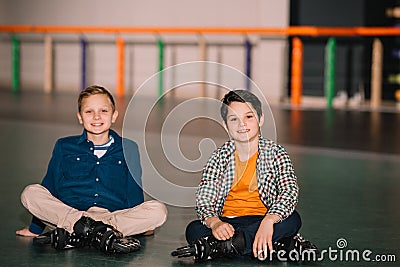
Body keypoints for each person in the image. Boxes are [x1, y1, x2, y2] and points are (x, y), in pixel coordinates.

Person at [16, 85, 167, 254]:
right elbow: (49, 185)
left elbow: (133, 189)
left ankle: (81, 234)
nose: (96, 116)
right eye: (89, 112)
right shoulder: (64, 146)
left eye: (103, 110)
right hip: (71, 215)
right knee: (30, 192)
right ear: (80, 117)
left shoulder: (128, 148)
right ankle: (95, 233)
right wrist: (35, 229)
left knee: (158, 210)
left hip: (111, 218)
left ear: (114, 115)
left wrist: (143, 224)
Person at [171, 89, 316, 262]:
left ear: (260, 119)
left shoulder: (276, 153)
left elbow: (289, 191)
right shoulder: (219, 158)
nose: (242, 124)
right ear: (225, 125)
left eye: (249, 117)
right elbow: (205, 200)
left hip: (263, 219)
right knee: (194, 229)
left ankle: (223, 247)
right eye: (234, 119)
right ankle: (276, 247)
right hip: (228, 223)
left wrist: (269, 221)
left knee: (292, 219)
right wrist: (215, 223)